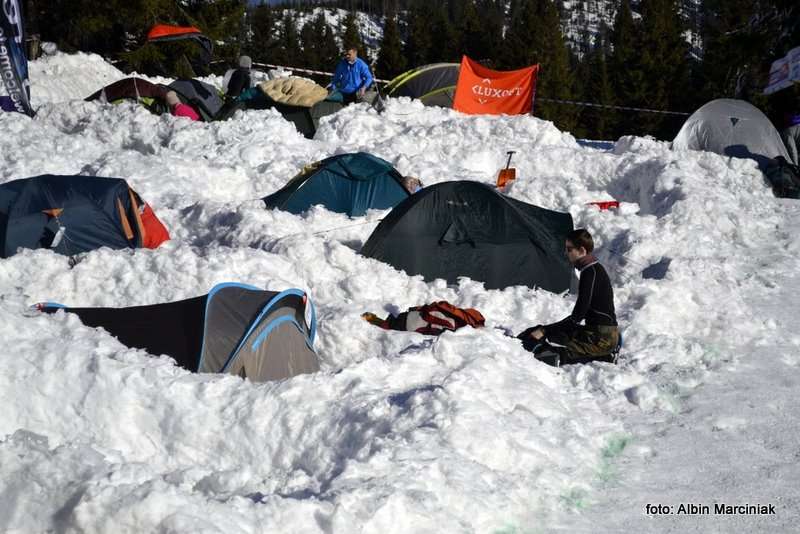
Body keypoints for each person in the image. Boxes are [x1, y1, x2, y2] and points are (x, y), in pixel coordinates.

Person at [518, 228, 619, 365]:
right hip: (600, 334)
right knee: (535, 333)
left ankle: (604, 356)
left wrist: (545, 330)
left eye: (569, 249)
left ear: (582, 251)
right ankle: (604, 354)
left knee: (546, 351)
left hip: (600, 338)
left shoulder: (590, 273)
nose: (566, 253)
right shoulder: (592, 269)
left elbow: (578, 315)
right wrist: (545, 330)